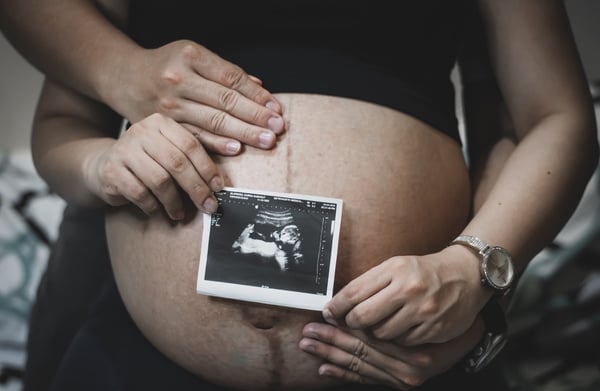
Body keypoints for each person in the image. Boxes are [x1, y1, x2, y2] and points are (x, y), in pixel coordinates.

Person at [2, 0, 598, 390]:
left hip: (402, 358)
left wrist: (475, 272)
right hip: (141, 353)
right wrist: (102, 163)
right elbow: (60, 125)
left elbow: (556, 117)